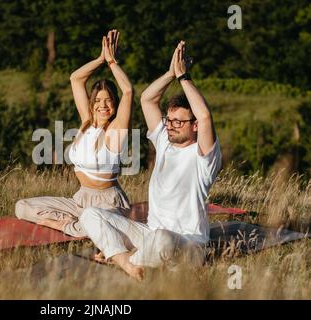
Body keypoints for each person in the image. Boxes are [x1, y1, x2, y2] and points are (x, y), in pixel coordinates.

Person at [80, 40, 222, 280]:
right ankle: (127, 263)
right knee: (90, 214)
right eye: (169, 120)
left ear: (194, 125)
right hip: (150, 233)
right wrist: (170, 73)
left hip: (188, 245)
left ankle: (118, 257)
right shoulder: (165, 141)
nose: (171, 126)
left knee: (163, 239)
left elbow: (206, 115)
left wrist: (184, 77)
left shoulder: (204, 157)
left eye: (179, 122)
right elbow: (147, 99)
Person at [15, 30, 134, 237]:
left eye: (108, 100)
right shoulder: (86, 122)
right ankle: (78, 224)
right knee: (22, 206)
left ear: (115, 103)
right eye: (97, 100)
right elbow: (76, 79)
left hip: (108, 202)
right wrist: (100, 59)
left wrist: (113, 63)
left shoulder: (116, 129)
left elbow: (129, 91)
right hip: (80, 199)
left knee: (97, 225)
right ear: (92, 103)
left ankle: (68, 227)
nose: (102, 105)